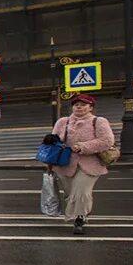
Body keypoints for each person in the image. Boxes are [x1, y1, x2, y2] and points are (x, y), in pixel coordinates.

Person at [51, 93, 114, 235]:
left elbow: (107, 141)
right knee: (69, 194)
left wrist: (83, 146)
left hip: (90, 164)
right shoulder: (63, 122)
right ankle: (82, 211)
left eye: (83, 105)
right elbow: (54, 141)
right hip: (64, 163)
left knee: (81, 193)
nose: (79, 107)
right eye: (76, 105)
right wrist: (50, 147)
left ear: (90, 107)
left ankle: (79, 219)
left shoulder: (98, 121)